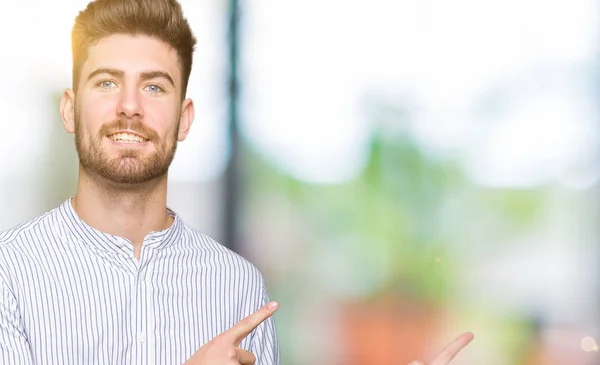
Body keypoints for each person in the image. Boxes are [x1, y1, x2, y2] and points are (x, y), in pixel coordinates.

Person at [0, 0, 473, 364]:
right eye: (106, 82)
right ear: (69, 108)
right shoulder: (11, 276)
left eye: (154, 86)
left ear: (184, 119)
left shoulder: (238, 286)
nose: (129, 106)